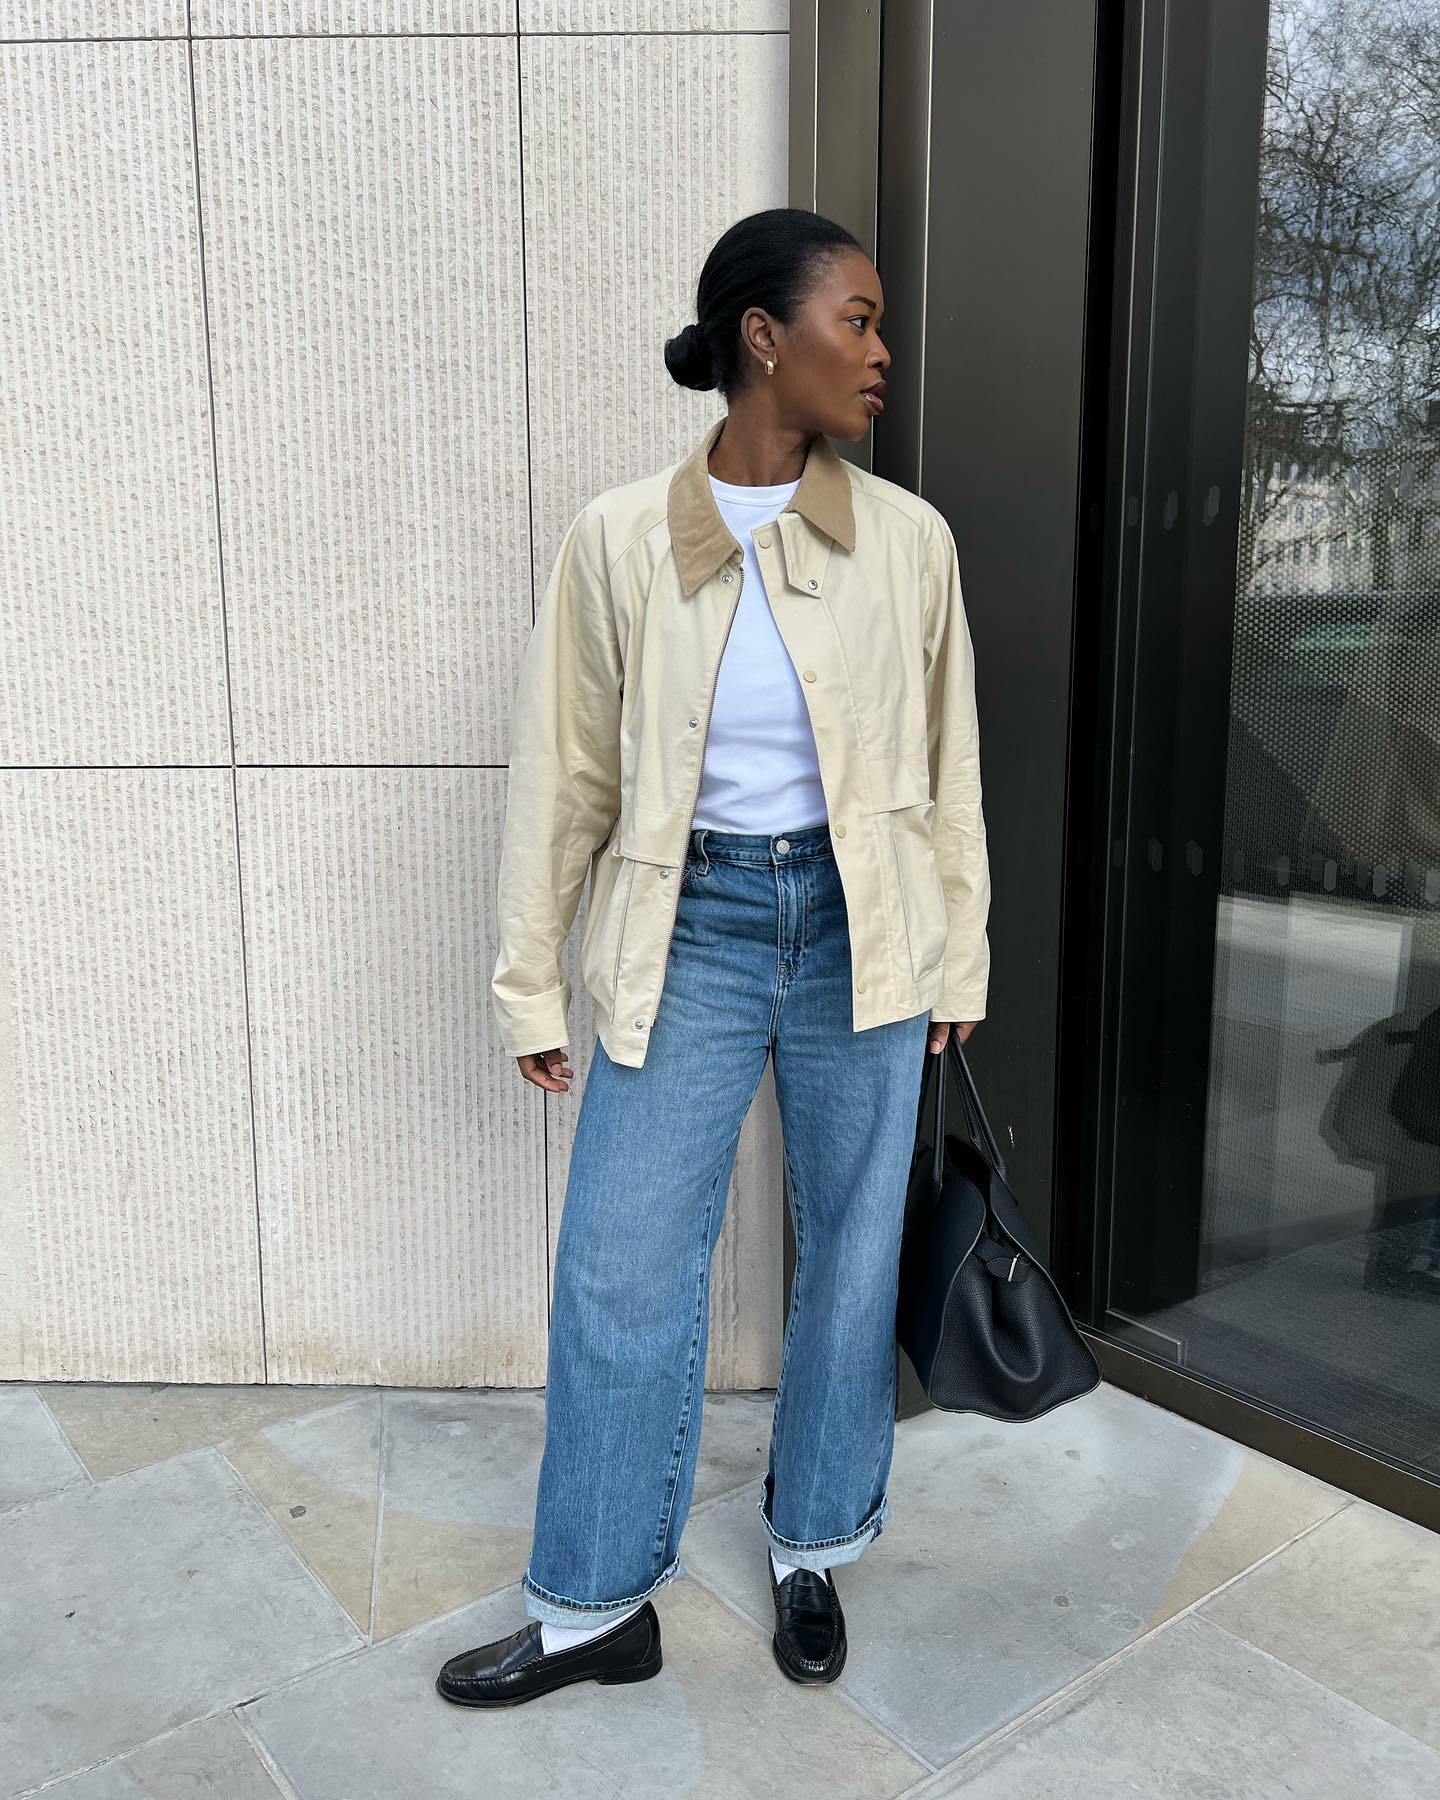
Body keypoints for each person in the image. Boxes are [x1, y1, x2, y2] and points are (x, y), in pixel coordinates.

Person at [437, 207, 991, 1709]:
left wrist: (959, 962)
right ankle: (594, 1609)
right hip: (684, 929)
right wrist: (529, 979)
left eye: (879, 325)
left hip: (861, 935)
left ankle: (813, 1544)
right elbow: (564, 777)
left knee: (850, 1248)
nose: (881, 353)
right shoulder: (621, 538)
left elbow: (946, 775)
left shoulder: (908, 542)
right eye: (856, 321)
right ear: (766, 335)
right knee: (620, 1265)